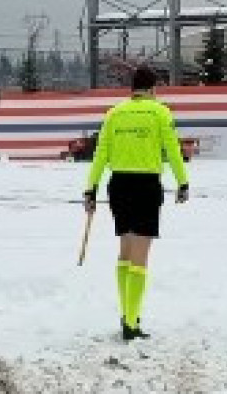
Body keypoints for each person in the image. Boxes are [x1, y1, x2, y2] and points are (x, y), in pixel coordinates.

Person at [83, 66, 189, 342]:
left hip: (118, 185)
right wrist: (183, 182)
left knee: (126, 251)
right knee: (140, 256)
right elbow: (173, 151)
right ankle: (131, 321)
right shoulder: (160, 112)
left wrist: (90, 189)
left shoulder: (114, 113)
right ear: (153, 89)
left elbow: (101, 155)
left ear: (132, 88)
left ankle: (127, 312)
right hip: (146, 186)